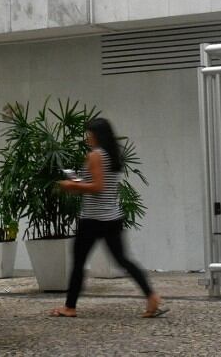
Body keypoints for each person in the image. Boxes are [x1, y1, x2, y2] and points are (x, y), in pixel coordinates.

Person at [50, 117, 167, 319]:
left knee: (78, 261)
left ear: (97, 135)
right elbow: (101, 184)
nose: (87, 138)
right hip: (112, 217)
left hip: (93, 219)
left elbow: (97, 187)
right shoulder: (111, 156)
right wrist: (79, 180)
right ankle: (151, 295)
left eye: (89, 134)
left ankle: (70, 307)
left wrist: (72, 185)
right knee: (123, 260)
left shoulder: (96, 155)